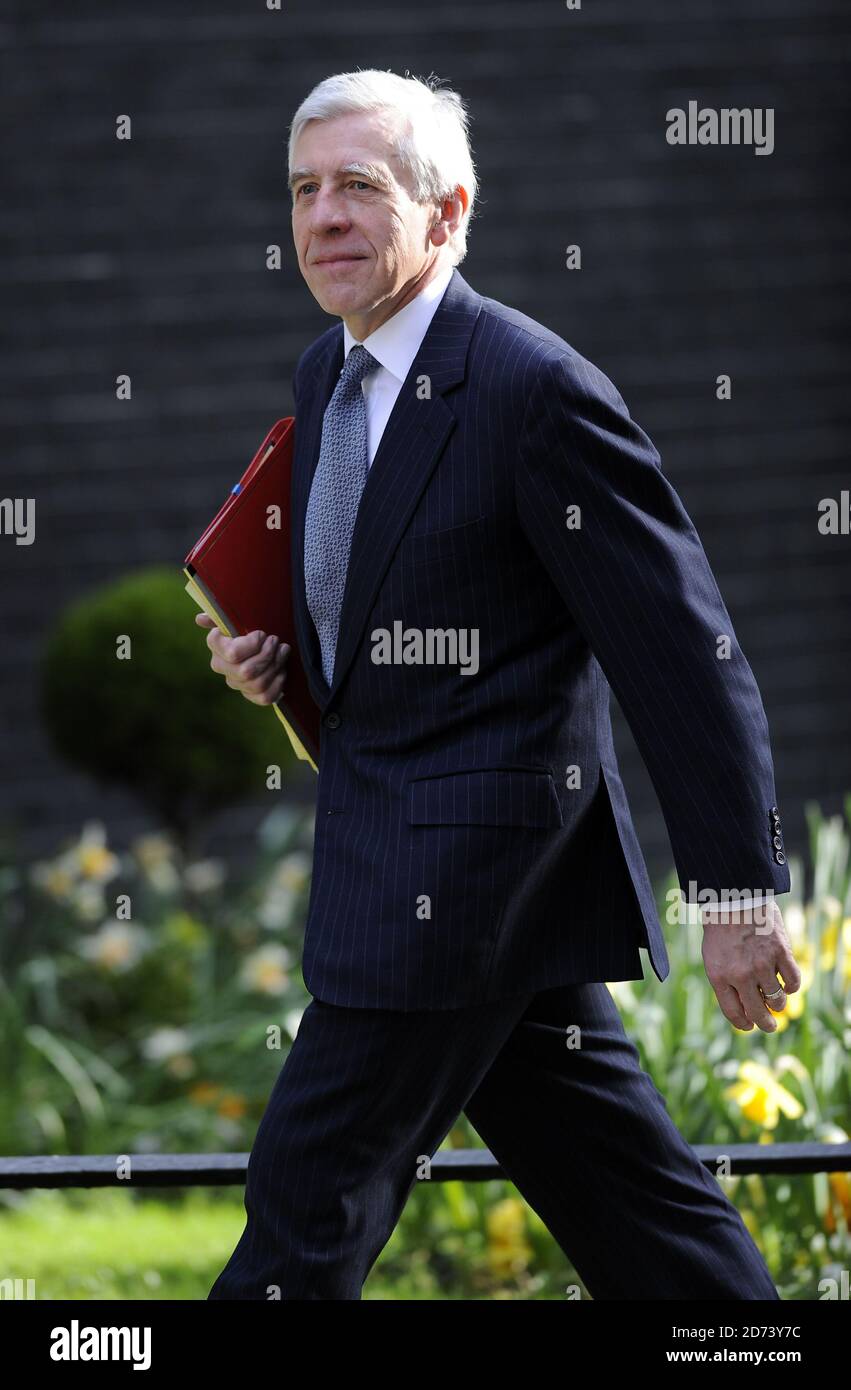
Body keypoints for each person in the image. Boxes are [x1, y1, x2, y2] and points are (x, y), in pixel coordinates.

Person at [200, 69, 801, 1300]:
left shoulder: (535, 389)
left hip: (447, 892)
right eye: (304, 190)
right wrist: (280, 658)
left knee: (305, 1204)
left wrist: (736, 884)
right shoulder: (329, 371)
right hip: (464, 885)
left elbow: (680, 647)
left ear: (448, 210)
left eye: (360, 187)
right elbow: (376, 609)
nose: (322, 219)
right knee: (633, 1203)